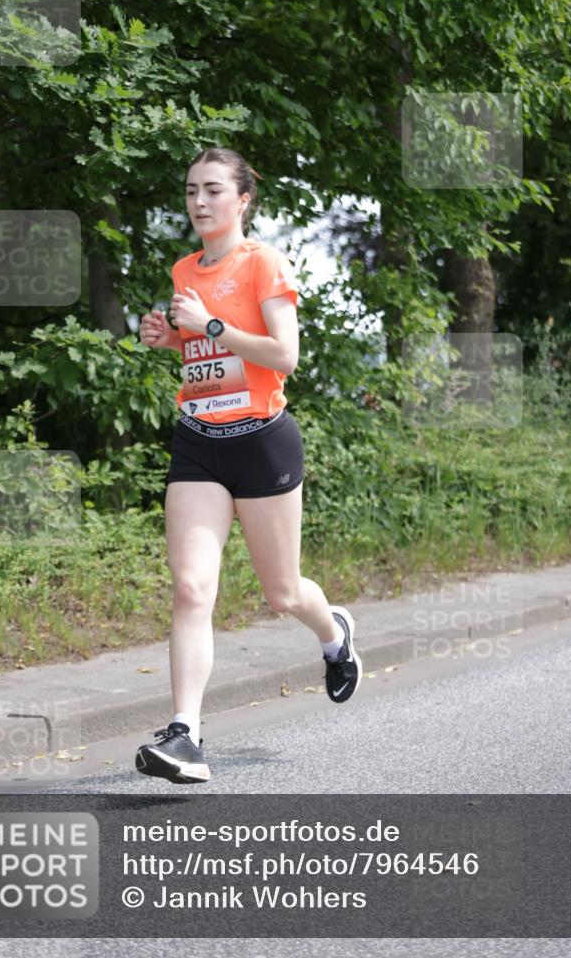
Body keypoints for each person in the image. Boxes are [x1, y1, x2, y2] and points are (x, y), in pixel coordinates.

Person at [134, 146, 362, 784]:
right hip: (199, 440)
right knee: (189, 588)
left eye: (212, 190)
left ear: (243, 200)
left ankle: (334, 634)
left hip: (262, 440)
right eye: (190, 191)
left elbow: (282, 355)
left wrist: (205, 326)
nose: (199, 202)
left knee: (282, 592)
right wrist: (173, 338)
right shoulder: (185, 267)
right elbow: (205, 353)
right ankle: (186, 735)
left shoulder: (263, 262)